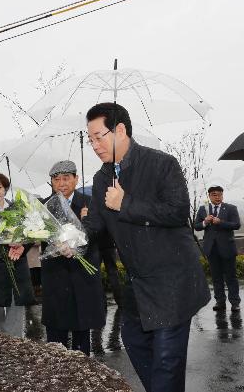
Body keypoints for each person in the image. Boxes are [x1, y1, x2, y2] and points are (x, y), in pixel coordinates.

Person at [81, 102, 210, 392]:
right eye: (90, 139)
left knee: (166, 360)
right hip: (139, 283)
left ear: (121, 130)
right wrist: (69, 239)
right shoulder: (102, 178)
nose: (94, 145)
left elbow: (177, 212)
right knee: (135, 341)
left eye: (99, 136)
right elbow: (96, 224)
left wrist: (125, 203)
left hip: (173, 280)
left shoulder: (162, 163)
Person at [41, 160, 105, 356]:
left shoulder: (90, 202)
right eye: (56, 179)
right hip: (55, 278)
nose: (61, 183)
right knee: (55, 341)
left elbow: (99, 230)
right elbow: (34, 233)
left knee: (81, 338)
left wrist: (82, 231)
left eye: (66, 178)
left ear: (76, 179)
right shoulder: (44, 207)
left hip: (81, 277)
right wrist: (19, 244)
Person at [0, 172, 36, 337]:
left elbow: (30, 234)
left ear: (5, 189)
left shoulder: (19, 209)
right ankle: (1, 335)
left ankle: (14, 338)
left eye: (0, 187)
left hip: (16, 261)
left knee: (16, 300)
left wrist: (21, 244)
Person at [193, 186, 241, 311]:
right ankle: (220, 302)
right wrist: (205, 222)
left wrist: (221, 222)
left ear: (222, 196)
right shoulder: (204, 209)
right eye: (214, 195)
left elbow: (236, 224)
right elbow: (197, 226)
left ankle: (235, 302)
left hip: (227, 248)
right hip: (211, 249)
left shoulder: (231, 208)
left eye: (220, 194)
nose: (217, 197)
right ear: (209, 196)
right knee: (216, 277)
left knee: (231, 277)